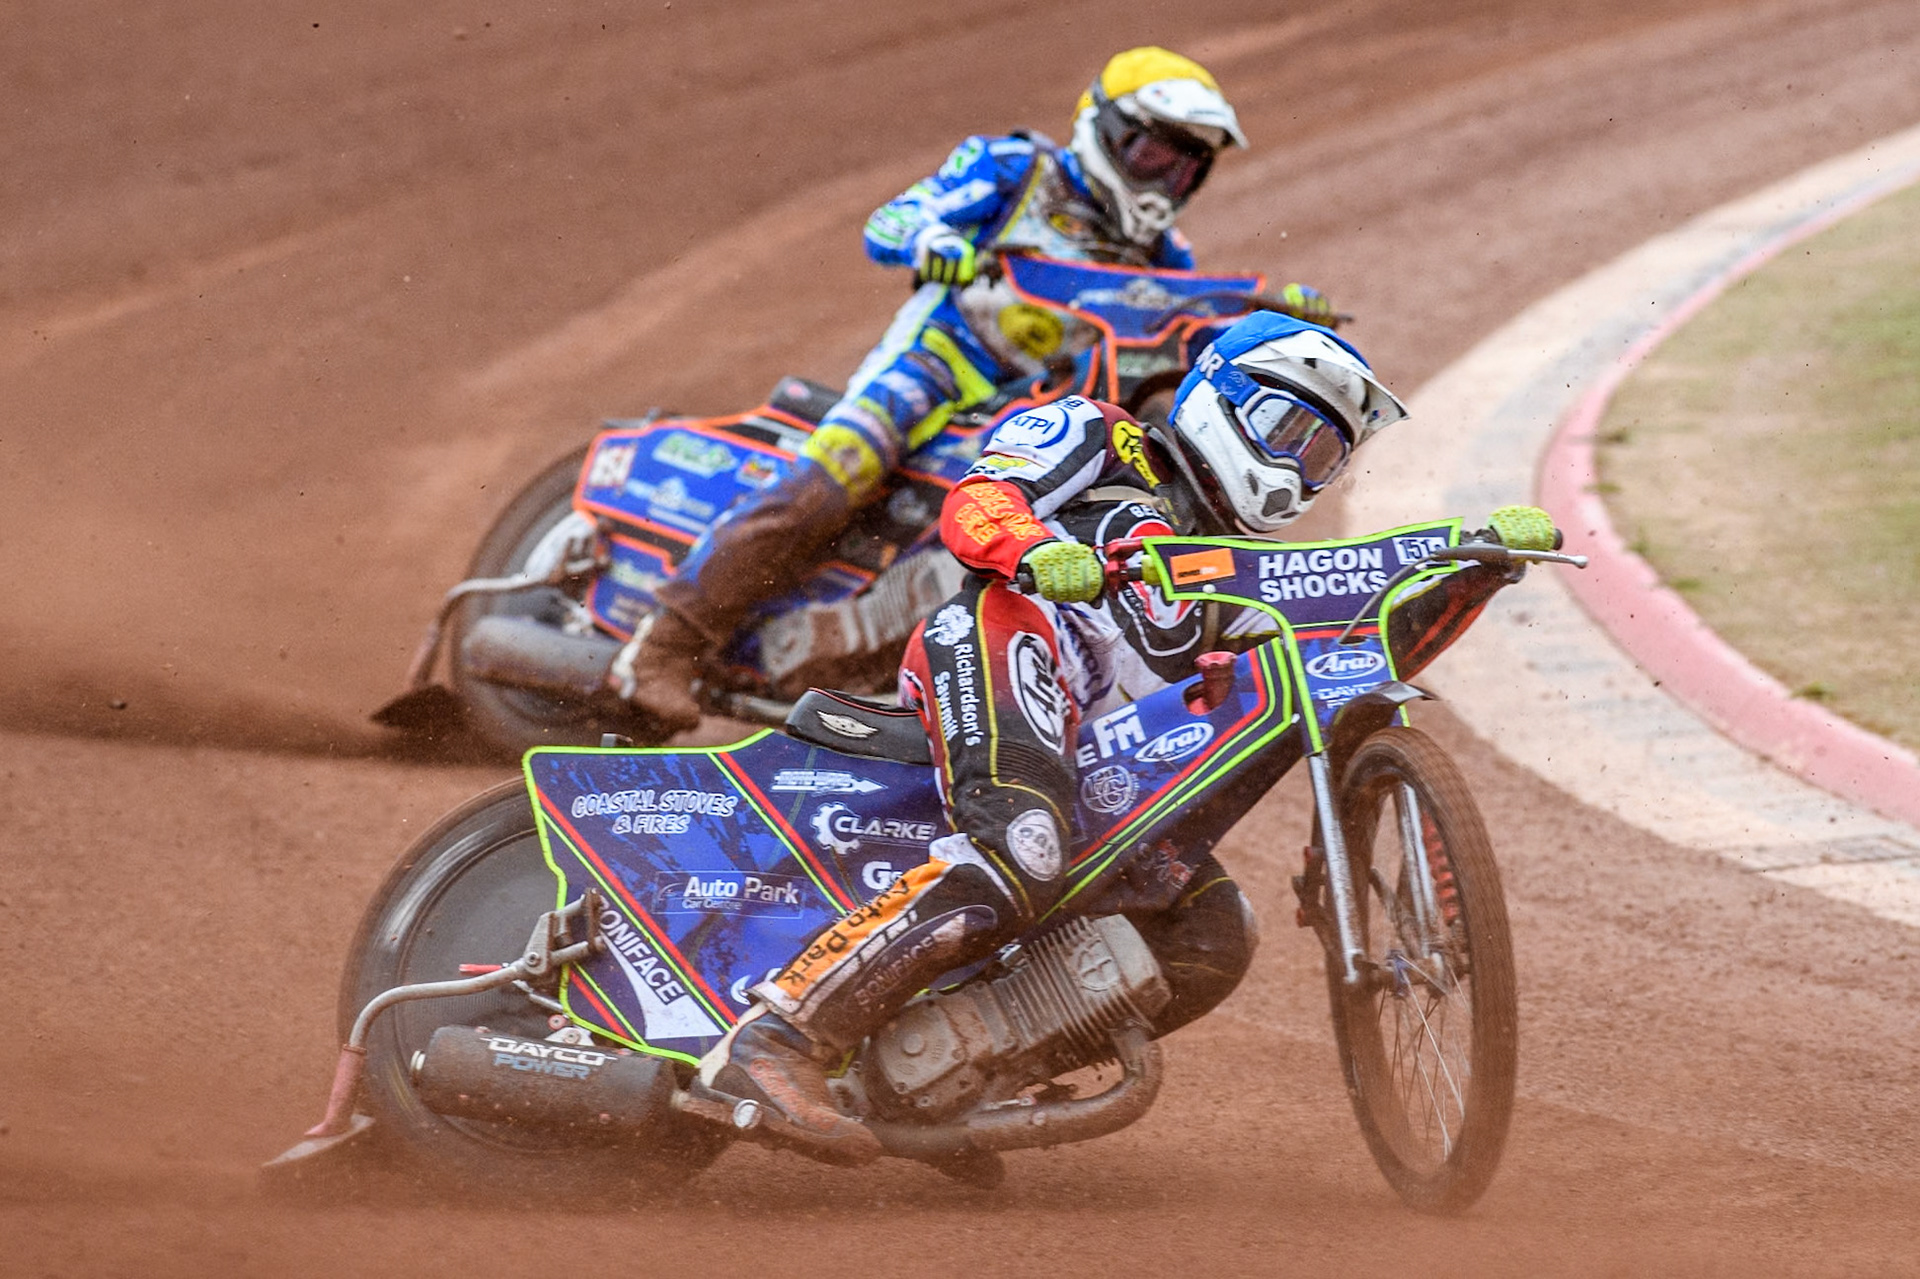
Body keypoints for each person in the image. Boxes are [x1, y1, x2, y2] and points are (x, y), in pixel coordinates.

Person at [696, 310, 1561, 1161]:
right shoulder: (1101, 435)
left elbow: (1357, 651)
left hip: (1097, 754)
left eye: (1323, 454)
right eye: (1287, 428)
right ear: (1219, 396)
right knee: (1023, 843)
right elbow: (981, 497)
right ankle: (775, 1042)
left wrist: (1473, 570)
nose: (1298, 467)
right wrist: (1033, 546)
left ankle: (936, 1082)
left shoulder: (1248, 573)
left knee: (1213, 935)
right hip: (1007, 638)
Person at [613, 46, 1339, 732]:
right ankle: (664, 644)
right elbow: (893, 218)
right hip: (933, 366)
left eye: (1185, 169)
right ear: (1104, 130)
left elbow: (1191, 332)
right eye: (1153, 154)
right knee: (838, 475)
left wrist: (1269, 320)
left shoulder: (1160, 257)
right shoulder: (1016, 169)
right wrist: (932, 240)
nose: (1164, 180)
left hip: (1026, 416)